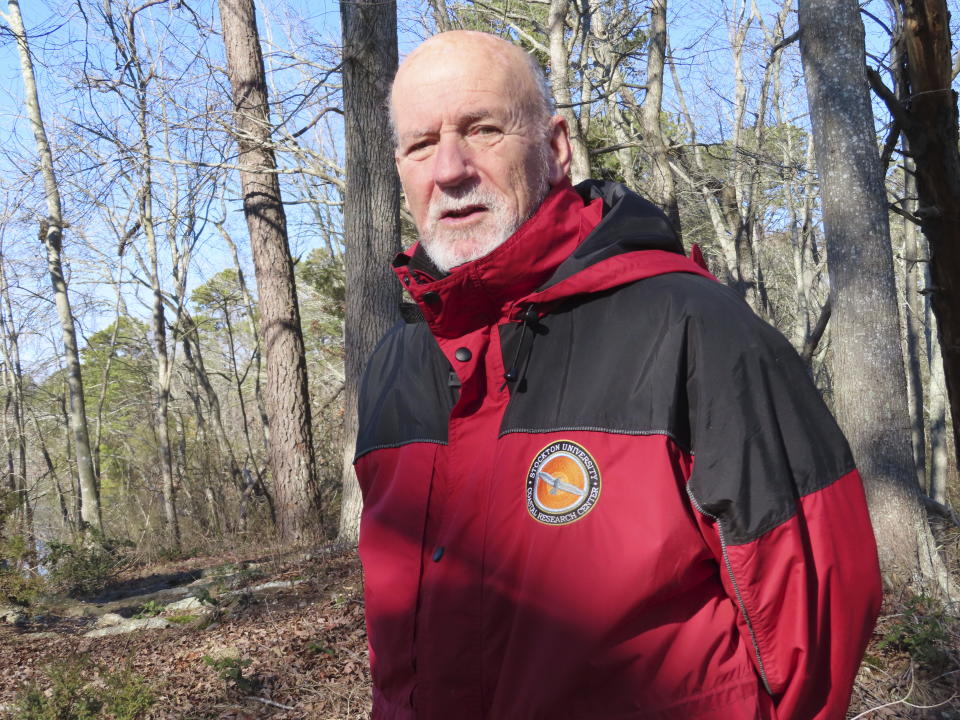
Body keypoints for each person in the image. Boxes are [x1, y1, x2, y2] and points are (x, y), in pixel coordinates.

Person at [353, 30, 882, 720]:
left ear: (556, 146)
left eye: (482, 130)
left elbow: (817, 616)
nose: (450, 168)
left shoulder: (692, 325)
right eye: (421, 144)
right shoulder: (395, 363)